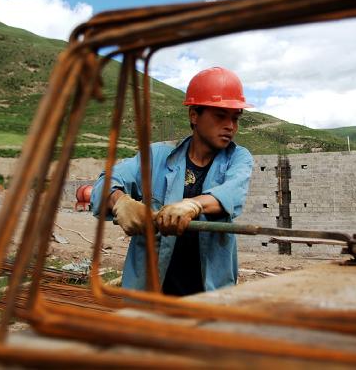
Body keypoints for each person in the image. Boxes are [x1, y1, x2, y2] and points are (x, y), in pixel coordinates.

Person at [91, 66, 254, 296]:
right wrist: (120, 201)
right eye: (220, 116)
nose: (230, 126)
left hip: (209, 297)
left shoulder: (238, 158)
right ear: (194, 115)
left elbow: (233, 193)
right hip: (149, 295)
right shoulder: (155, 157)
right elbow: (106, 181)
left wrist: (193, 204)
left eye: (235, 118)